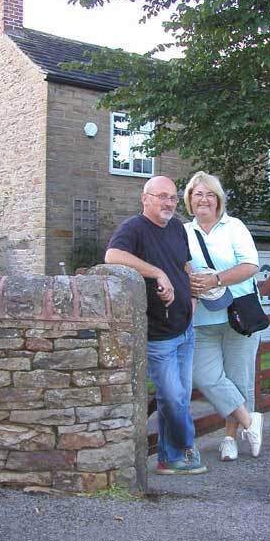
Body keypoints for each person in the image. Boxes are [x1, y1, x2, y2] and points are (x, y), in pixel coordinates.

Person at [105, 176, 207, 475]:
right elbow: (112, 256)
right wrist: (157, 273)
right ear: (145, 198)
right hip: (159, 334)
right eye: (161, 196)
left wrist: (191, 293)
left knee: (177, 397)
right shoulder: (133, 228)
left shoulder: (177, 227)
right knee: (173, 397)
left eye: (173, 198)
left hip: (185, 328)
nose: (168, 203)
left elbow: (184, 264)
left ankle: (168, 458)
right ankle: (187, 448)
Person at [183, 171, 263, 462]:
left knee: (239, 380)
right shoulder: (182, 231)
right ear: (189, 199)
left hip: (238, 317)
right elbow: (181, 268)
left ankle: (229, 439)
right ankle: (251, 422)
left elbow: (251, 265)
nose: (203, 199)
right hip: (201, 319)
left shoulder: (234, 227)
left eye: (210, 194)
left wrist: (216, 279)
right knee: (204, 376)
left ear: (218, 200)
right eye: (197, 194)